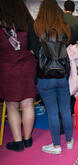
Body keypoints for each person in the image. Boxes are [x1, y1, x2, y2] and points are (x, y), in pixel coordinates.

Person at [30, 0, 78, 154]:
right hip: (62, 74)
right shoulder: (65, 28)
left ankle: (56, 146)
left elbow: (33, 51)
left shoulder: (35, 27)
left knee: (53, 112)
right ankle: (68, 141)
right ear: (58, 10)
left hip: (44, 76)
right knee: (66, 110)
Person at [0, 0, 37, 151]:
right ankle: (27, 139)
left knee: (11, 105)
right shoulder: (28, 22)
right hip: (27, 68)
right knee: (28, 104)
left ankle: (17, 142)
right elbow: (35, 47)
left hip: (7, 69)